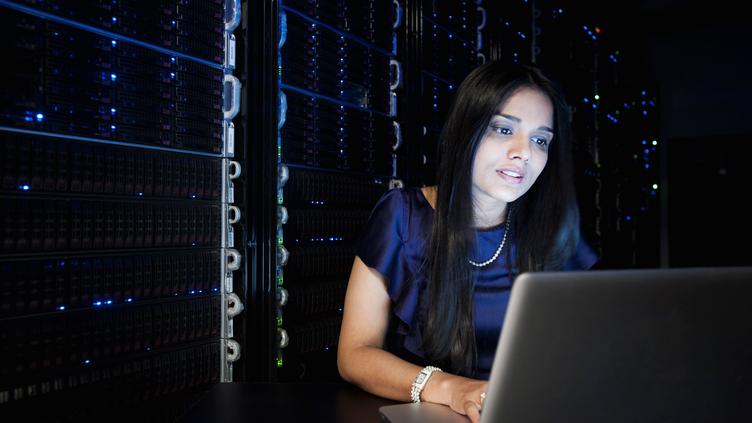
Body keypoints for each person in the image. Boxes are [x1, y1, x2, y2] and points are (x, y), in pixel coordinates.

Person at [337, 61, 598, 423]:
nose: (524, 152)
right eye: (504, 129)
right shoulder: (402, 216)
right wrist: (450, 388)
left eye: (540, 140)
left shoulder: (553, 231)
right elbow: (354, 354)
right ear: (466, 130)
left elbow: (586, 353)